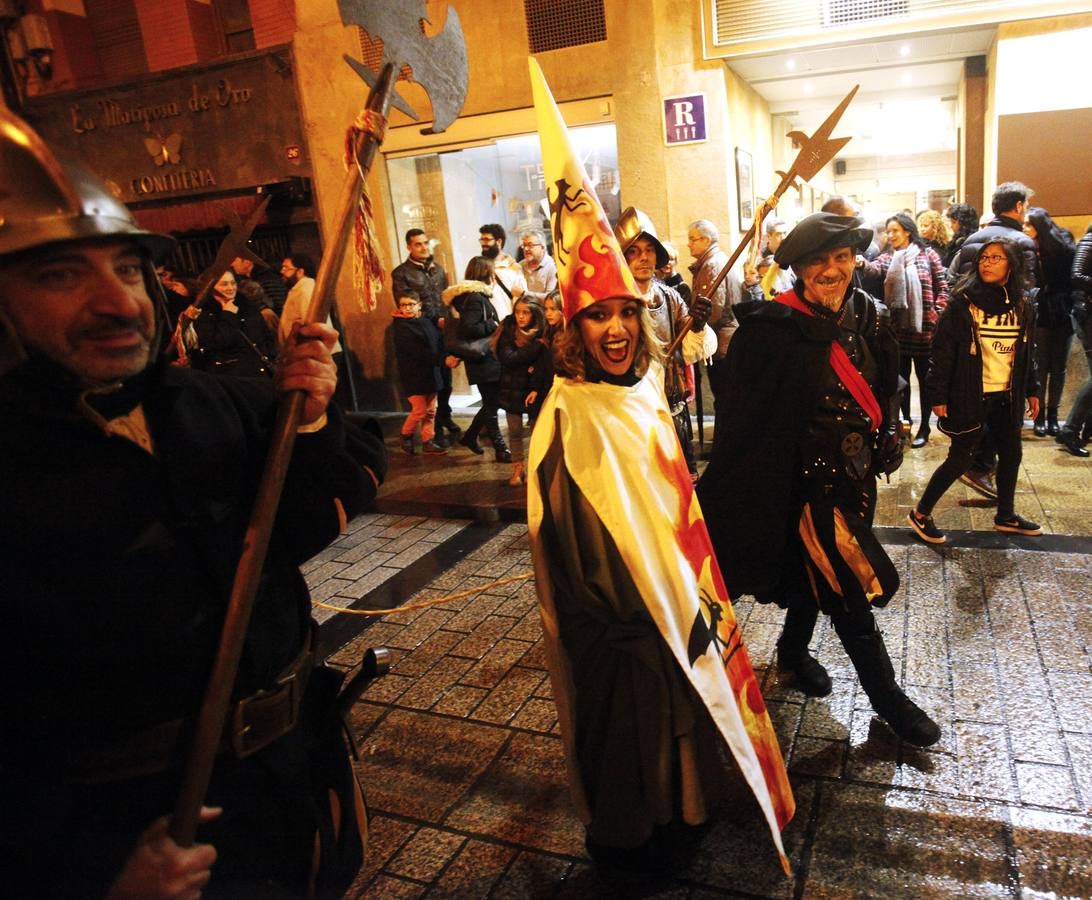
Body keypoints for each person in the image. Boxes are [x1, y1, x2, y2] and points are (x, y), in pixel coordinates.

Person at [0, 107, 385, 897]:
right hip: (137, 832)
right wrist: (86, 876)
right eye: (61, 274)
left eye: (128, 269)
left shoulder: (211, 404)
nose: (117, 302)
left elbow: (295, 532)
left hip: (289, 783)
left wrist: (308, 422)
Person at [525, 59, 793, 874]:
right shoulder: (570, 416)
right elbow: (584, 544)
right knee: (629, 750)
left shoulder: (641, 392)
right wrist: (643, 609)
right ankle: (630, 852)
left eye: (623, 314)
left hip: (675, 610)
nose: (613, 329)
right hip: (624, 631)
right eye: (596, 316)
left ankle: (682, 822)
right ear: (574, 326)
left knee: (681, 732)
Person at [698, 212, 941, 749]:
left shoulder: (872, 314)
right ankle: (889, 700)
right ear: (799, 269)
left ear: (855, 259)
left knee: (817, 570)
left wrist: (889, 430)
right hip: (800, 484)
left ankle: (792, 652)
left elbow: (888, 380)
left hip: (856, 479)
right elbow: (744, 416)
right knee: (847, 585)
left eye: (841, 258)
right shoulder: (771, 329)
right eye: (817, 261)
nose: (831, 270)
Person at [908, 237, 1042, 541]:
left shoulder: (1023, 304)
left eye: (996, 258)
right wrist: (937, 395)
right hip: (971, 393)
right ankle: (920, 514)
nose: (987, 262)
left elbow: (1026, 352)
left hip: (1007, 395)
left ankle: (1005, 516)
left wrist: (1032, 389)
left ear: (1012, 264)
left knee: (1011, 453)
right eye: (984, 257)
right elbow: (942, 353)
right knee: (961, 457)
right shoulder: (962, 303)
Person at [948, 182, 1040, 500]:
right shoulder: (1022, 242)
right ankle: (983, 468)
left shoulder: (973, 239)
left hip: (973, 332)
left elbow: (954, 279)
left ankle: (988, 476)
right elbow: (1028, 288)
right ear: (1017, 206)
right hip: (1001, 330)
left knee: (981, 405)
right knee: (999, 402)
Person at [615, 208, 715, 481]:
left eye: (649, 249)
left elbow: (692, 350)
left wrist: (697, 326)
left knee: (682, 490)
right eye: (634, 251)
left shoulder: (669, 297)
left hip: (672, 411)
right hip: (632, 415)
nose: (644, 257)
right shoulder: (612, 305)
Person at [858, 213, 949, 447]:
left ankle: (925, 428)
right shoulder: (889, 257)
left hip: (925, 330)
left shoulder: (928, 256)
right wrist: (859, 262)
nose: (890, 235)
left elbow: (944, 288)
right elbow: (873, 270)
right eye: (888, 231)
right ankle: (905, 423)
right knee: (902, 382)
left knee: (925, 380)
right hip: (899, 332)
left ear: (907, 231)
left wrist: (935, 313)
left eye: (895, 230)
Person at [391, 228, 461, 443]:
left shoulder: (438, 269)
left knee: (446, 380)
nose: (423, 248)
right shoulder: (401, 273)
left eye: (425, 243)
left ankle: (445, 416)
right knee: (431, 380)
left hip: (442, 330)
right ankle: (433, 429)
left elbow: (446, 297)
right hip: (420, 330)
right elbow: (405, 304)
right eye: (418, 244)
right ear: (409, 247)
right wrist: (433, 319)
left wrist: (449, 319)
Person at [443, 256, 511, 462]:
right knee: (492, 403)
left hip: (483, 359)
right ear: (484, 273)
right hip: (483, 359)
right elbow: (468, 328)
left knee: (492, 401)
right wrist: (493, 324)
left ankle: (471, 436)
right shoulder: (475, 298)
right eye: (491, 272)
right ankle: (500, 448)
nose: (493, 276)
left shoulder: (472, 297)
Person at [1024, 207, 1077, 436]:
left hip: (1062, 312)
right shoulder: (1028, 249)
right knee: (1041, 365)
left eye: (1029, 225)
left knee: (1059, 367)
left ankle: (1054, 413)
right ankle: (1041, 415)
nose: (1025, 229)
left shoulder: (1063, 246)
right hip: (1041, 313)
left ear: (1039, 227)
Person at [496, 296, 547, 485]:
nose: (521, 317)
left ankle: (536, 468)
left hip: (535, 388)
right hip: (511, 388)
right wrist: (534, 351)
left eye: (525, 312)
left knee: (537, 431)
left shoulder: (543, 331)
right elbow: (508, 357)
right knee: (515, 430)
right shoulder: (508, 330)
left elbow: (542, 364)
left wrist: (530, 365)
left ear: (534, 313)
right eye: (518, 312)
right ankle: (517, 469)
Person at [190, 269, 278, 378]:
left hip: (260, 373)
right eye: (224, 284)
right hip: (231, 377)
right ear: (210, 287)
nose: (230, 288)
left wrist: (270, 357)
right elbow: (217, 343)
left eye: (233, 283)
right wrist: (228, 314)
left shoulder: (247, 306)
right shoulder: (204, 314)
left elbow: (265, 337)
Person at [392, 291, 448, 455]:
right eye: (403, 305)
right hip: (413, 374)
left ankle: (427, 441)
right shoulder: (401, 326)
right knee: (419, 410)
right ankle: (406, 436)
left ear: (419, 305)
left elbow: (437, 341)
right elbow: (415, 351)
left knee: (431, 411)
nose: (407, 308)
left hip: (431, 371)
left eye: (411, 304)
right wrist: (441, 359)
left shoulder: (425, 321)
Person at [1056, 223, 1092, 457]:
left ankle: (1083, 428)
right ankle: (1070, 429)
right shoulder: (1089, 241)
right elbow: (1077, 276)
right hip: (1087, 314)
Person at [478, 223, 526, 320]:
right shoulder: (479, 267)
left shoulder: (513, 268)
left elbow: (521, 299)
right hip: (487, 326)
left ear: (499, 242)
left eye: (487, 240)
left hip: (507, 324)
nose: (483, 244)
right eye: (481, 240)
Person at [519, 229, 557, 302]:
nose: (526, 249)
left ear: (542, 247)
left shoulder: (552, 266)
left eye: (530, 245)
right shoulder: (520, 265)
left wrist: (524, 294)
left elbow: (550, 298)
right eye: (524, 245)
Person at [943, 202, 980, 268]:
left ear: (964, 223)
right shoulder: (956, 241)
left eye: (954, 222)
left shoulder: (969, 243)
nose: (951, 226)